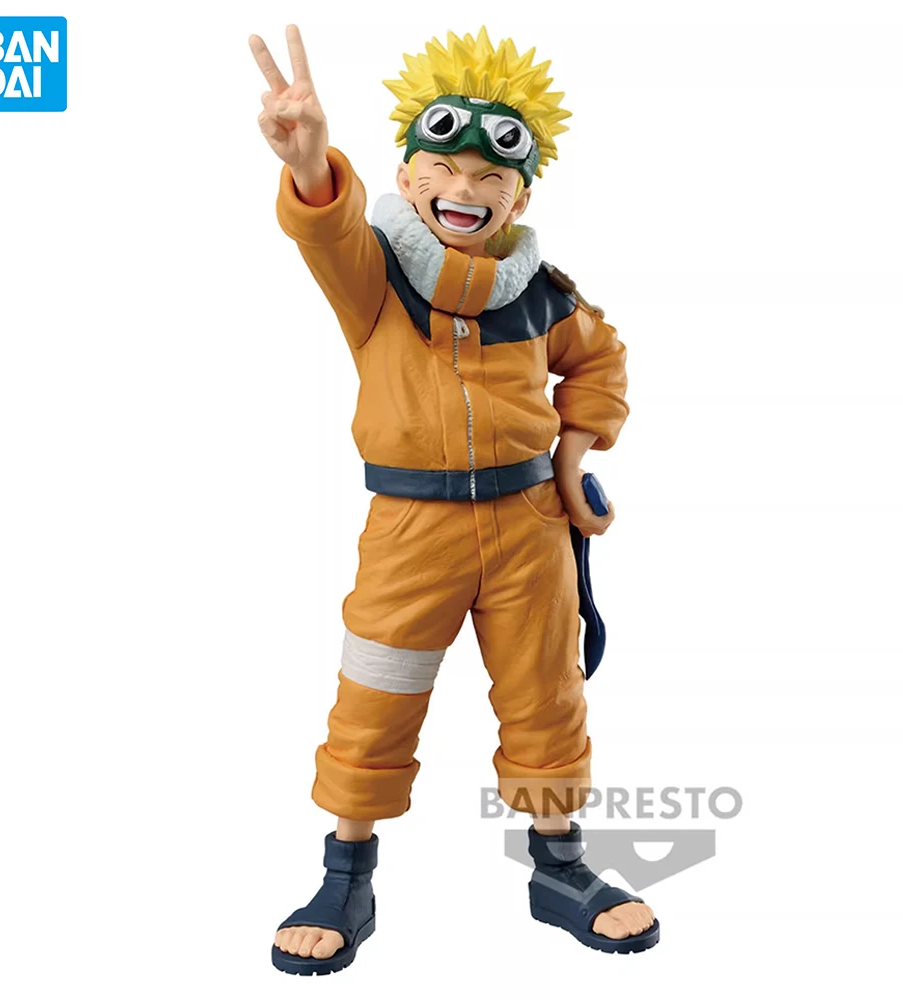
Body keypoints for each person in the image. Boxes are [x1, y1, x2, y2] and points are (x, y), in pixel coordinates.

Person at [249, 24, 659, 975]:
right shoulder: (375, 279)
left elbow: (600, 359)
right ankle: (345, 875)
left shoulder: (541, 294)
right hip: (412, 532)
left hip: (529, 529)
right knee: (376, 695)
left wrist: (572, 456)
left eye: (490, 175)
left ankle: (560, 870)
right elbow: (326, 231)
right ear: (408, 173)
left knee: (547, 694)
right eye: (443, 167)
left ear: (521, 194)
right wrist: (309, 164)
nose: (464, 188)